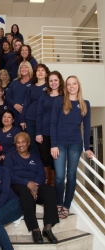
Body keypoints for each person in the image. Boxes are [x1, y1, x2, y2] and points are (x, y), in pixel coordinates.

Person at [50, 76, 95, 219]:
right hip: (60, 144)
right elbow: (53, 124)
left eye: (74, 83)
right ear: (66, 87)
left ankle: (66, 205)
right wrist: (53, 144)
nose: (71, 86)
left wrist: (87, 147)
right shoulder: (59, 101)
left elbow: (86, 127)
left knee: (71, 176)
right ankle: (59, 203)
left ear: (78, 85)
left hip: (76, 143)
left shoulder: (85, 104)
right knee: (59, 176)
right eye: (68, 84)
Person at [4, 132, 59, 244]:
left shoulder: (35, 156)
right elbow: (8, 174)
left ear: (28, 143)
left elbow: (41, 174)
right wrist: (27, 183)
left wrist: (35, 186)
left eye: (23, 141)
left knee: (50, 191)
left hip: (35, 185)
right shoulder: (10, 157)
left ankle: (47, 229)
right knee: (25, 193)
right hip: (18, 184)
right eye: (18, 142)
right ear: (15, 144)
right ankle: (35, 229)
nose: (20, 144)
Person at [36, 71, 64, 186]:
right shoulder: (44, 95)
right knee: (45, 159)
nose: (53, 83)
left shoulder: (64, 96)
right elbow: (39, 114)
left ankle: (52, 188)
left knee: (55, 161)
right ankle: (46, 187)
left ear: (60, 81)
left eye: (55, 80)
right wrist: (38, 132)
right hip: (44, 132)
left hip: (59, 133)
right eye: (51, 80)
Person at [20, 64, 50, 154]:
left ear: (46, 74)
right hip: (31, 119)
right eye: (38, 70)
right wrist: (22, 119)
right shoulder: (31, 87)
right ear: (35, 73)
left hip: (44, 120)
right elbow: (26, 104)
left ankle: (44, 167)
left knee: (43, 145)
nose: (40, 72)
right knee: (32, 144)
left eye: (42, 70)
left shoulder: (49, 87)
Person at [6, 61, 33, 126]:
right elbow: (7, 96)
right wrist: (14, 104)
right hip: (13, 114)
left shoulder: (33, 83)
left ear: (29, 69)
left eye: (26, 67)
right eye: (21, 67)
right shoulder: (14, 82)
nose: (23, 69)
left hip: (26, 115)